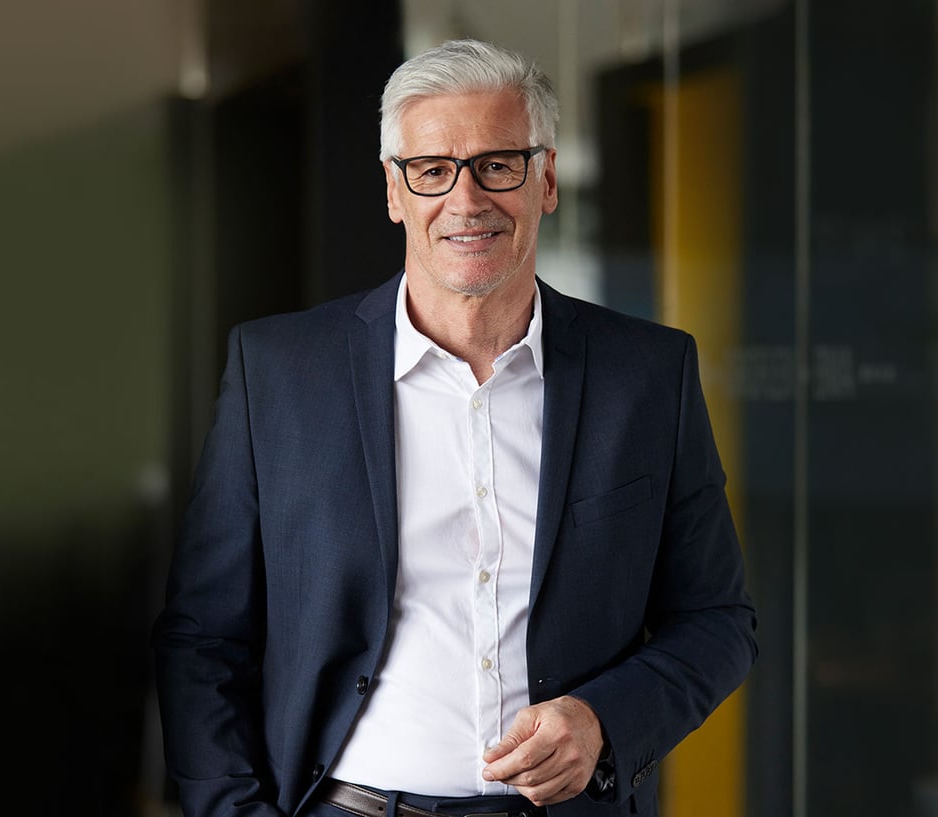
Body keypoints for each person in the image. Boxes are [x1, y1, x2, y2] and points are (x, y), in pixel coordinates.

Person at [153, 38, 757, 817]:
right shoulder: (277, 373)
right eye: (433, 170)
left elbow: (718, 620)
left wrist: (604, 717)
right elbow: (203, 636)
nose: (465, 200)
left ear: (546, 179)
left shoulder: (648, 375)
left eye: (497, 164)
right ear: (393, 191)